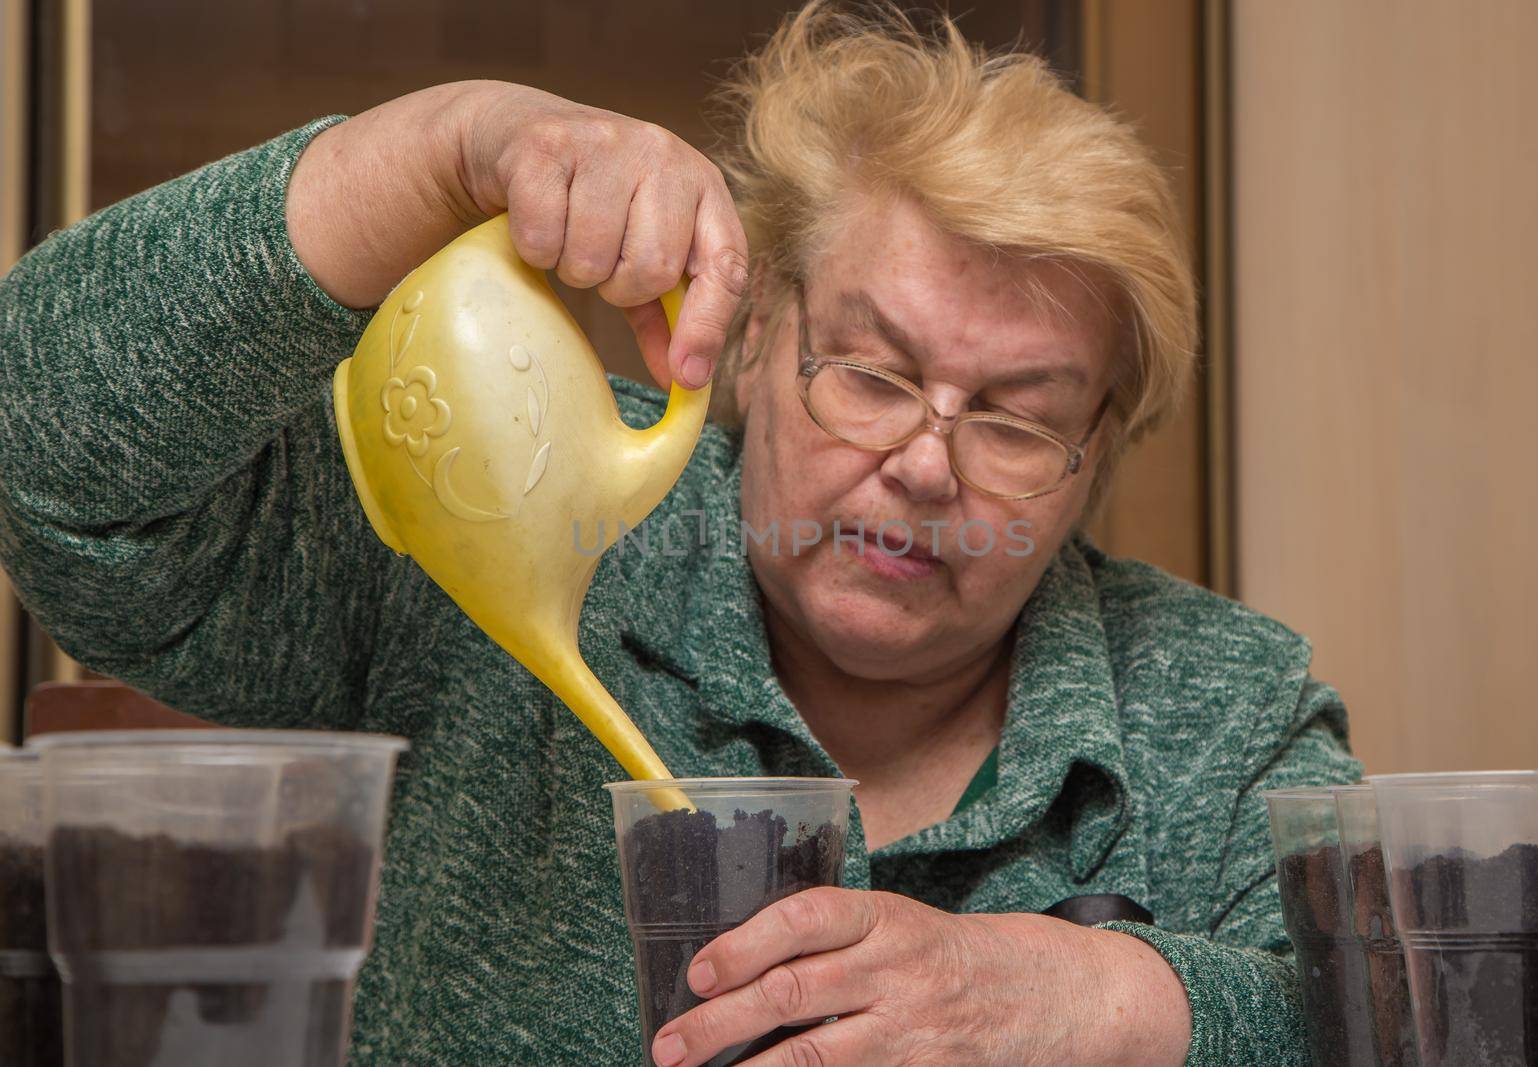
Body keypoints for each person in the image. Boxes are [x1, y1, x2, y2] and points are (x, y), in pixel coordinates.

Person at [0, 5, 1359, 1065]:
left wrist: (1111, 1001)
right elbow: (46, 449)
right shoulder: (499, 543)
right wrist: (437, 151)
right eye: (872, 373)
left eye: (1014, 418)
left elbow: (1402, 1007)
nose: (925, 464)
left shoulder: (1220, 712)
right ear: (754, 345)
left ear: (1097, 458)